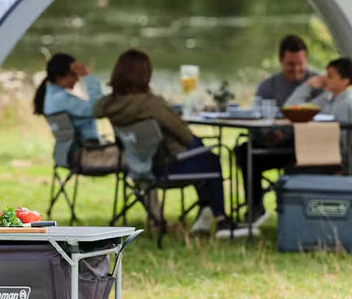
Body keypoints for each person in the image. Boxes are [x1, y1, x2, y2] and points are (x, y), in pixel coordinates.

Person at [92, 49, 250, 238]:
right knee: (211, 157)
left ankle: (206, 211)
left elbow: (96, 108)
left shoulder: (109, 105)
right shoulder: (151, 104)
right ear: (145, 76)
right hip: (168, 167)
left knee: (202, 153)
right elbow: (184, 134)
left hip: (138, 166)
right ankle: (222, 220)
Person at [235, 34, 321, 226]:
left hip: (305, 146)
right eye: (291, 64)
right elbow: (256, 117)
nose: (296, 69)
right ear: (280, 61)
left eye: (300, 63)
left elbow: (326, 119)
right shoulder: (268, 86)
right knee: (244, 151)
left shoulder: (317, 83)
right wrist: (266, 135)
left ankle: (295, 210)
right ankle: (255, 207)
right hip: (274, 145)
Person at [286, 57, 352, 172]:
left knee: (296, 170)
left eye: (330, 76)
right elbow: (292, 110)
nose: (325, 79)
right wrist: (307, 86)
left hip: (349, 158)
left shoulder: (350, 101)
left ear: (345, 81)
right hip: (329, 153)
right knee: (292, 168)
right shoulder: (327, 97)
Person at [32, 53, 103, 141]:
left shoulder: (50, 96)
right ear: (59, 77)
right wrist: (87, 75)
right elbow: (98, 108)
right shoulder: (61, 99)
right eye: (74, 75)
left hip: (74, 151)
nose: (77, 79)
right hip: (87, 150)